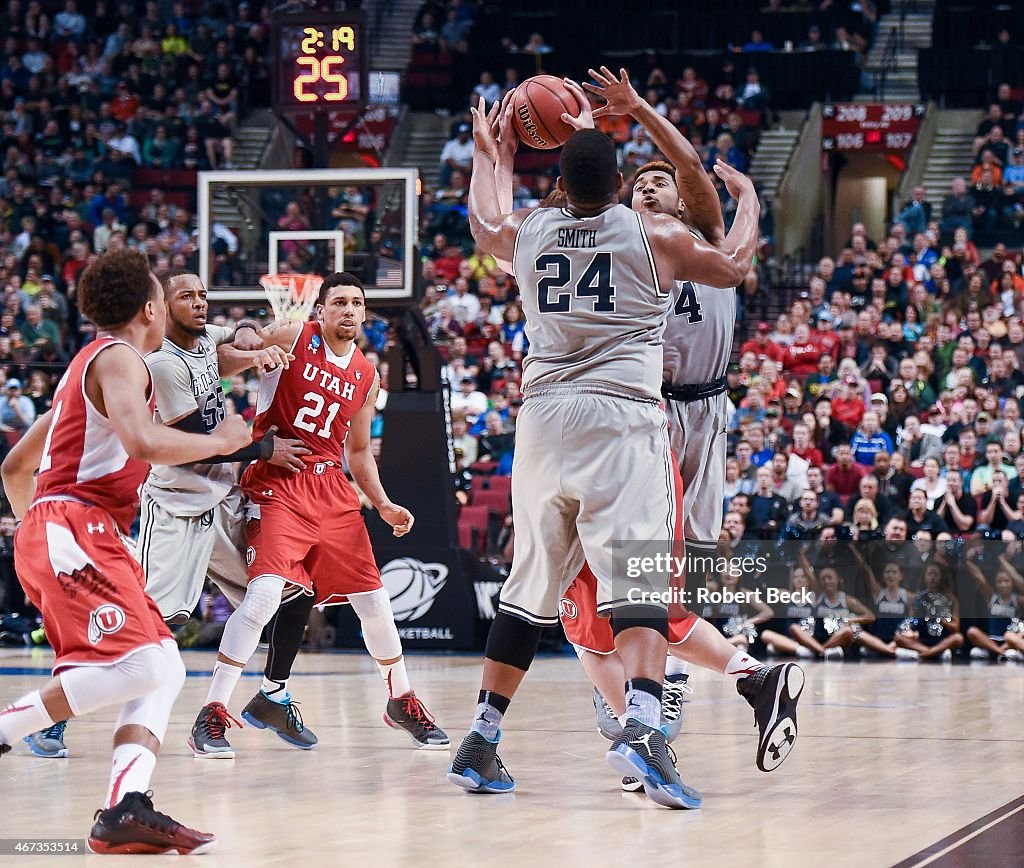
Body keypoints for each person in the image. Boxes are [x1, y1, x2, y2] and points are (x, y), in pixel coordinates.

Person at [446, 74, 760, 808]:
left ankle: (482, 738)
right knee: (641, 586)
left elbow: (482, 218)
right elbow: (737, 265)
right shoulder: (650, 233)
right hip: (620, 418)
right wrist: (747, 205)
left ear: (555, 179)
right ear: (620, 183)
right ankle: (646, 729)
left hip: (543, 417)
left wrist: (491, 153)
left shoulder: (529, 230)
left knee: (530, 590)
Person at [547, 68, 803, 780]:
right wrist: (581, 143)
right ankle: (652, 679)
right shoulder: (632, 240)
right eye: (639, 185)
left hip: (707, 404)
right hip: (646, 409)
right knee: (635, 550)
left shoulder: (702, 231)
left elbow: (690, 166)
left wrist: (639, 114)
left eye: (659, 185)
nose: (650, 190)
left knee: (691, 547)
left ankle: (663, 678)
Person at [0, 250, 252, 853]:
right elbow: (142, 439)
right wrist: (224, 441)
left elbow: (15, 467)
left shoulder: (82, 368)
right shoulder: (119, 358)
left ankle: (125, 808)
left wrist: (37, 529)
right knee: (150, 666)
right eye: (165, 299)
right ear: (150, 308)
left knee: (159, 665)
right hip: (74, 527)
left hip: (69, 530)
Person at [225, 271, 449, 750]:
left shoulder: (367, 375)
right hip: (280, 477)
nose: (349, 310)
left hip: (331, 486)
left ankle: (401, 698)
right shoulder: (294, 335)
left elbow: (360, 451)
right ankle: (220, 708)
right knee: (267, 597)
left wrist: (384, 502)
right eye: (339, 302)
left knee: (374, 600)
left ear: (365, 312)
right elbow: (241, 343)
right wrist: (248, 335)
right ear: (322, 310)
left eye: (356, 302)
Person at [136, 272, 315, 759]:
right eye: (185, 297)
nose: (198, 303)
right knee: (148, 625)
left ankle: (273, 695)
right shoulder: (163, 365)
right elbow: (194, 451)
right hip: (177, 504)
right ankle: (54, 719)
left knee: (294, 590)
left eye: (202, 296)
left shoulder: (203, 336)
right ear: (162, 307)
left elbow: (235, 334)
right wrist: (263, 449)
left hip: (223, 500)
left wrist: (253, 342)